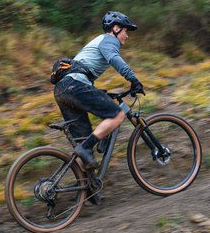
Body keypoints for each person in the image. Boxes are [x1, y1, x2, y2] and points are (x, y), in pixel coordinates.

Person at [54, 11, 145, 171]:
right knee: (117, 115)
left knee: (83, 143)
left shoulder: (97, 42)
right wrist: (133, 80)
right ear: (116, 28)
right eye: (125, 31)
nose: (127, 36)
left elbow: (84, 73)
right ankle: (85, 148)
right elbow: (115, 59)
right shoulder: (109, 40)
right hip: (74, 85)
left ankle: (84, 190)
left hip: (63, 89)